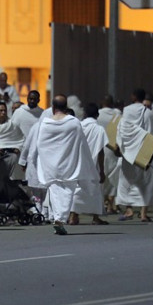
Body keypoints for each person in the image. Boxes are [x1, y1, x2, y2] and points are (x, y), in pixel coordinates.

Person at [21, 95, 99, 235]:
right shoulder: (74, 122)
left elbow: (40, 145)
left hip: (51, 165)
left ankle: (57, 218)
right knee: (67, 192)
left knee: (55, 192)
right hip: (68, 164)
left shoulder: (45, 124)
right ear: (66, 107)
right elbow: (81, 143)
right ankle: (60, 219)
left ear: (53, 107)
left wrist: (40, 161)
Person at [115, 88, 153, 222]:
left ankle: (129, 210)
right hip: (142, 152)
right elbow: (152, 135)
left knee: (127, 181)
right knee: (146, 183)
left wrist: (119, 146)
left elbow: (121, 130)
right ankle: (143, 214)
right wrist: (150, 156)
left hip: (127, 153)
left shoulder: (125, 112)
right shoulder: (148, 113)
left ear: (133, 97)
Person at [69, 102, 109, 225]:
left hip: (77, 164)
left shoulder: (78, 126)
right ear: (97, 115)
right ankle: (95, 217)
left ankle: (73, 216)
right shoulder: (99, 129)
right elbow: (101, 151)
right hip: (93, 165)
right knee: (95, 191)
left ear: (85, 114)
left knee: (77, 190)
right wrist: (102, 170)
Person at [0, 101, 26, 188]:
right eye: (0, 111)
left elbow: (21, 140)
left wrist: (18, 148)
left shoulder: (13, 126)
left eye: (5, 110)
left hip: (13, 157)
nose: (3, 113)